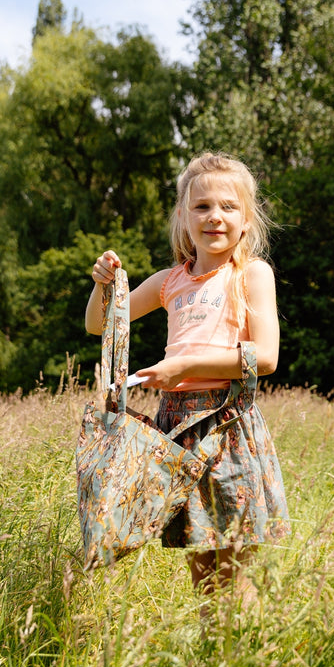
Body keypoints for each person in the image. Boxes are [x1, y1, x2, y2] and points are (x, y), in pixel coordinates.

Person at [85, 151, 289, 609]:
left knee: (235, 568)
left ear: (246, 219)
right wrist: (104, 285)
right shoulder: (168, 281)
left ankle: (246, 659)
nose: (214, 216)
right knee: (202, 569)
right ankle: (216, 662)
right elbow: (101, 326)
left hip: (227, 424)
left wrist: (184, 367)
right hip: (178, 428)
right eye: (201, 207)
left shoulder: (251, 274)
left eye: (228, 207)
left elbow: (267, 357)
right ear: (182, 215)